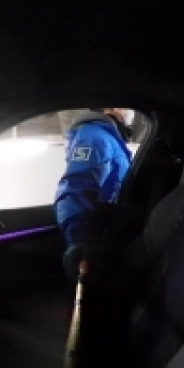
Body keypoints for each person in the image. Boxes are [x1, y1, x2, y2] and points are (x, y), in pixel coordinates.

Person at [54, 108, 134, 281]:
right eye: (126, 107)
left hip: (108, 238)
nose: (130, 112)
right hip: (98, 239)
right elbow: (77, 186)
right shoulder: (95, 137)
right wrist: (80, 240)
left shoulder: (109, 137)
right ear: (109, 107)